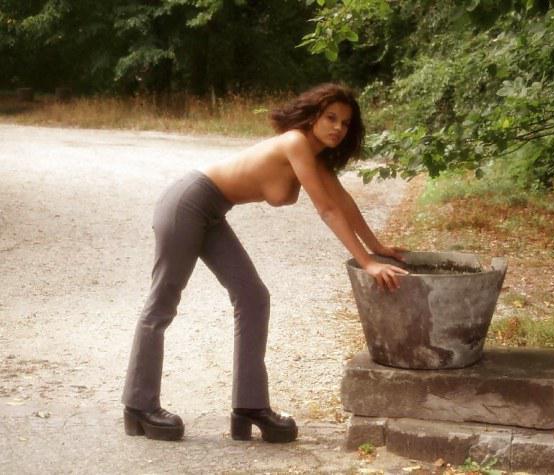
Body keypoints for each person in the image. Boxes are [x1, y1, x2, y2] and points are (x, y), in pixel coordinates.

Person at [121, 83, 408, 443]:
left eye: (345, 123)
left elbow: (343, 202)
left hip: (210, 212)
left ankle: (250, 406)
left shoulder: (314, 157)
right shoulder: (295, 142)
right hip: (187, 203)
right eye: (331, 118)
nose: (338, 127)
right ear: (313, 118)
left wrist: (377, 247)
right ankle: (139, 406)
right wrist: (366, 262)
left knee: (253, 297)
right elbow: (327, 210)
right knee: (163, 300)